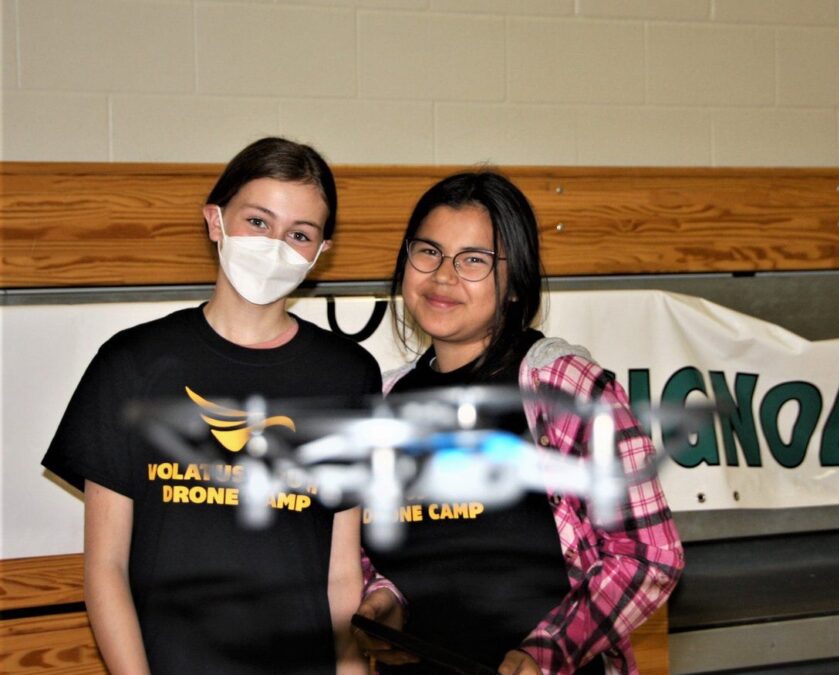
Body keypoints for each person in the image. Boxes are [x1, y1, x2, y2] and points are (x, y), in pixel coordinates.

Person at [41, 137, 380, 674]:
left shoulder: (350, 375)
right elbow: (105, 567)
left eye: (299, 234)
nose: (275, 246)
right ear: (215, 221)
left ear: (320, 252)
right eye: (258, 222)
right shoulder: (131, 364)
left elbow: (341, 570)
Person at [353, 171, 684, 674]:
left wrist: (548, 651)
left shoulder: (566, 388)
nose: (443, 275)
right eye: (428, 251)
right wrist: (385, 598)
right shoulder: (385, 400)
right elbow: (397, 556)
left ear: (514, 283)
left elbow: (648, 555)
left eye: (473, 261)